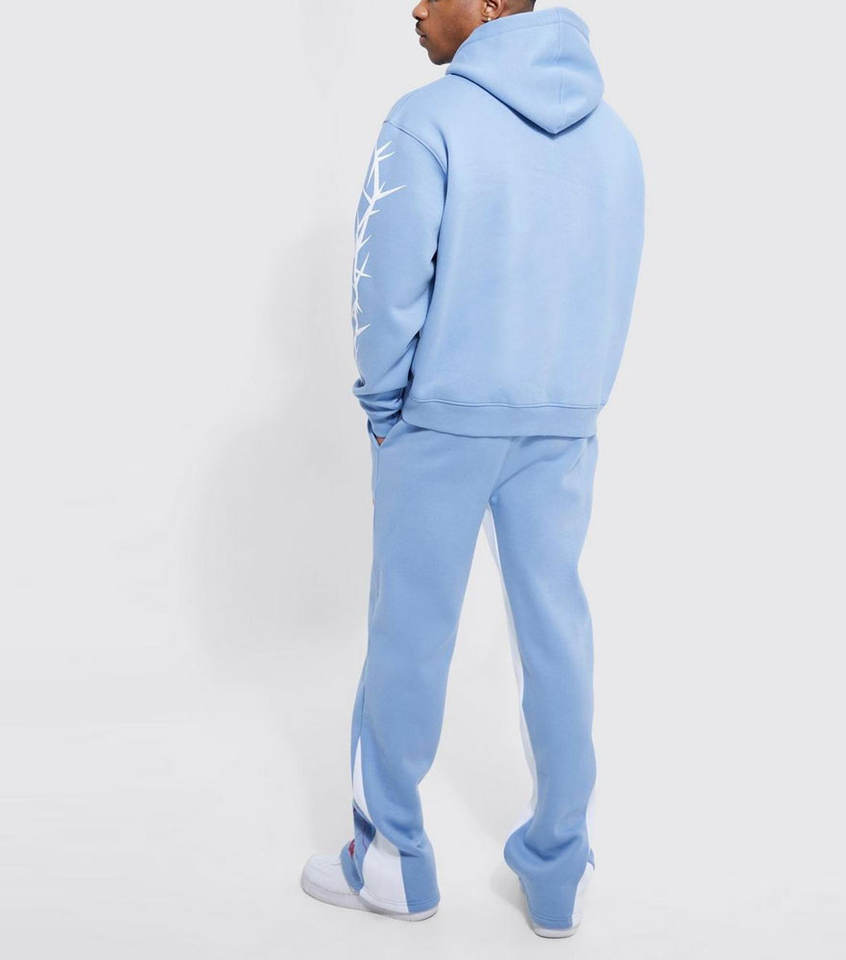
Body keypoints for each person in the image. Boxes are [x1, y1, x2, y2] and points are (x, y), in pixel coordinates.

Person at [301, 1, 644, 939]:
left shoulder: (429, 119)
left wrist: (385, 405)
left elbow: (386, 281)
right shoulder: (615, 136)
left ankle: (391, 862)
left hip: (442, 422)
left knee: (409, 637)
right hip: (563, 425)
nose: (415, 8)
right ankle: (558, 872)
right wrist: (574, 400)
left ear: (493, 4)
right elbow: (614, 278)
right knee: (557, 636)